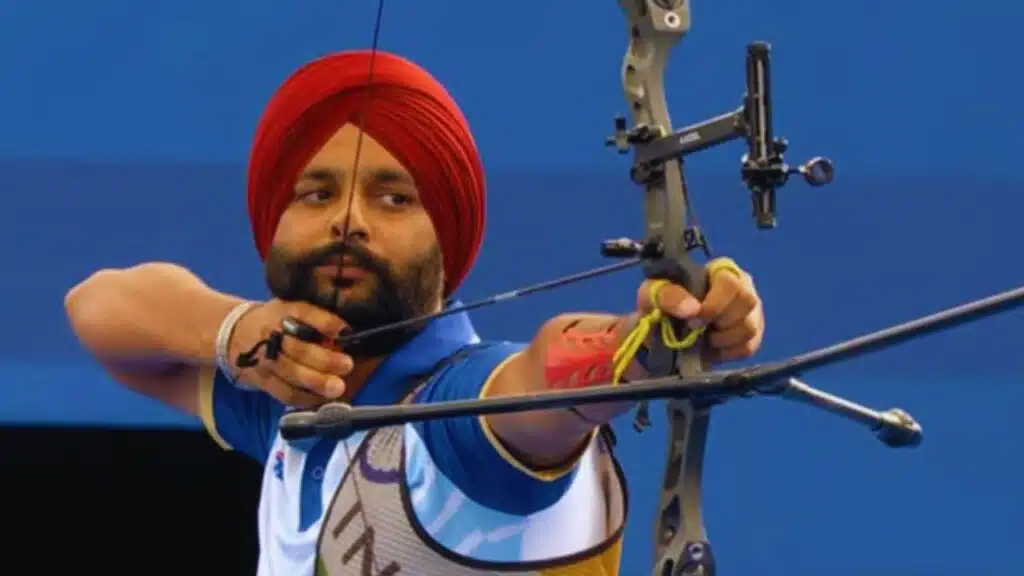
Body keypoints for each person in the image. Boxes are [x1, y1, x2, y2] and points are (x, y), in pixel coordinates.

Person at [64, 51, 765, 576]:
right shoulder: (289, 397)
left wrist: (651, 339)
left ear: (446, 239)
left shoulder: (458, 413)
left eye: (395, 198)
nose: (347, 220)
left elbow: (540, 382)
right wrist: (235, 332)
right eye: (315, 193)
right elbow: (96, 307)